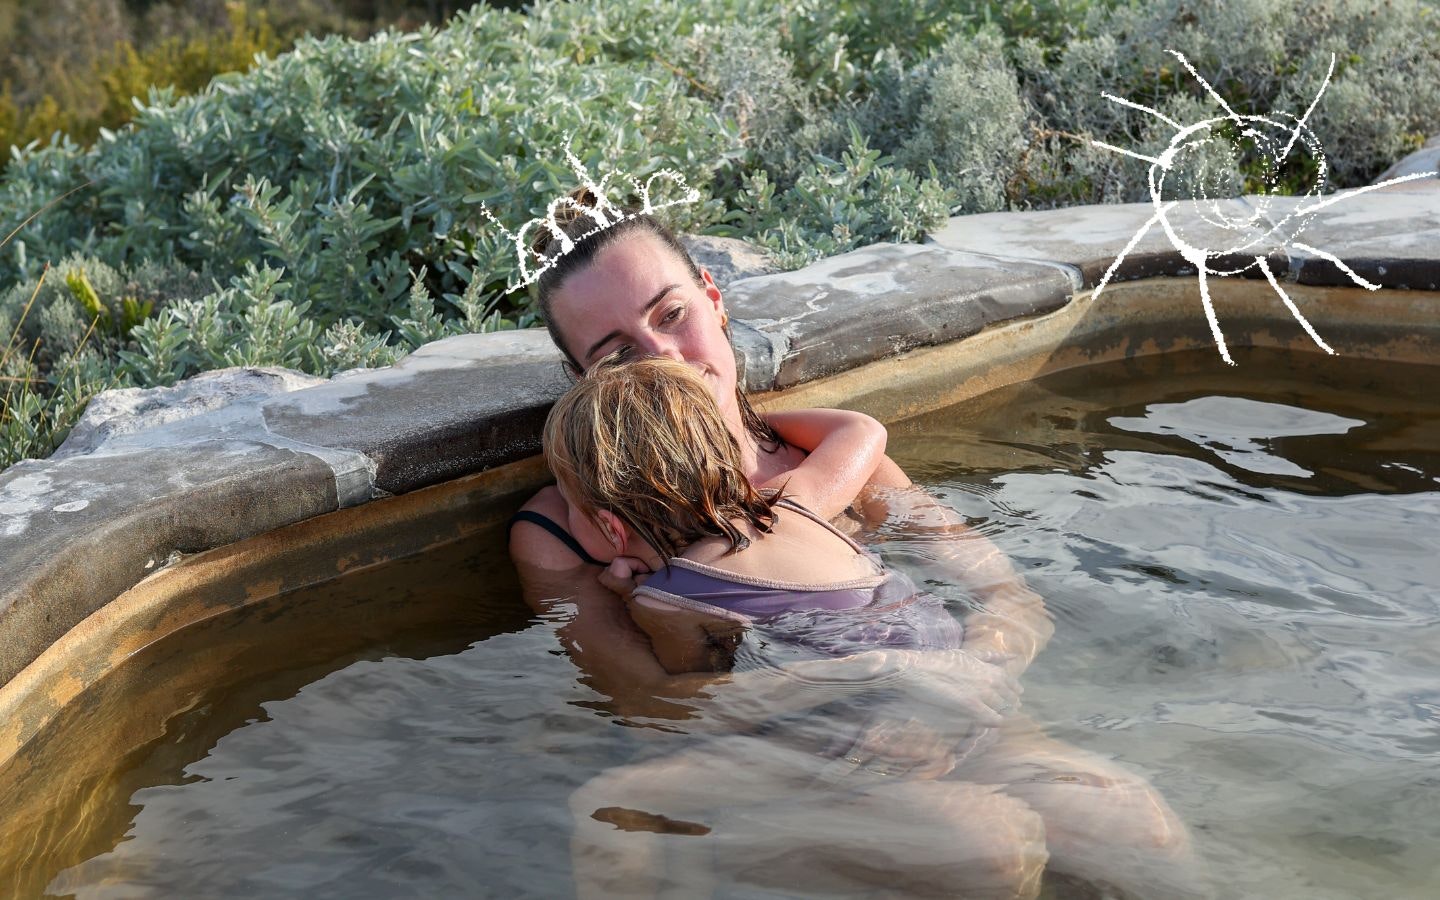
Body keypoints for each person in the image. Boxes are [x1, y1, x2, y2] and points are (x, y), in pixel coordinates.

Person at [506, 198, 1204, 897]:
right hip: (791, 770)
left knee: (1134, 827)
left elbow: (1008, 596)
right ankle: (722, 865)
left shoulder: (827, 465)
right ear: (585, 381)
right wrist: (873, 679)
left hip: (961, 719)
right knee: (983, 847)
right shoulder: (564, 535)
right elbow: (653, 707)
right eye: (620, 352)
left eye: (672, 315)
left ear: (713, 299)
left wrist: (956, 683)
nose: (664, 356)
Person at [545, 355, 1051, 897]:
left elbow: (696, 709)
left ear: (609, 528)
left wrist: (630, 600)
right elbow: (861, 429)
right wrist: (750, 423)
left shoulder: (668, 600)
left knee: (615, 801)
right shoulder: (802, 502)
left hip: (856, 728)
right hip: (957, 680)